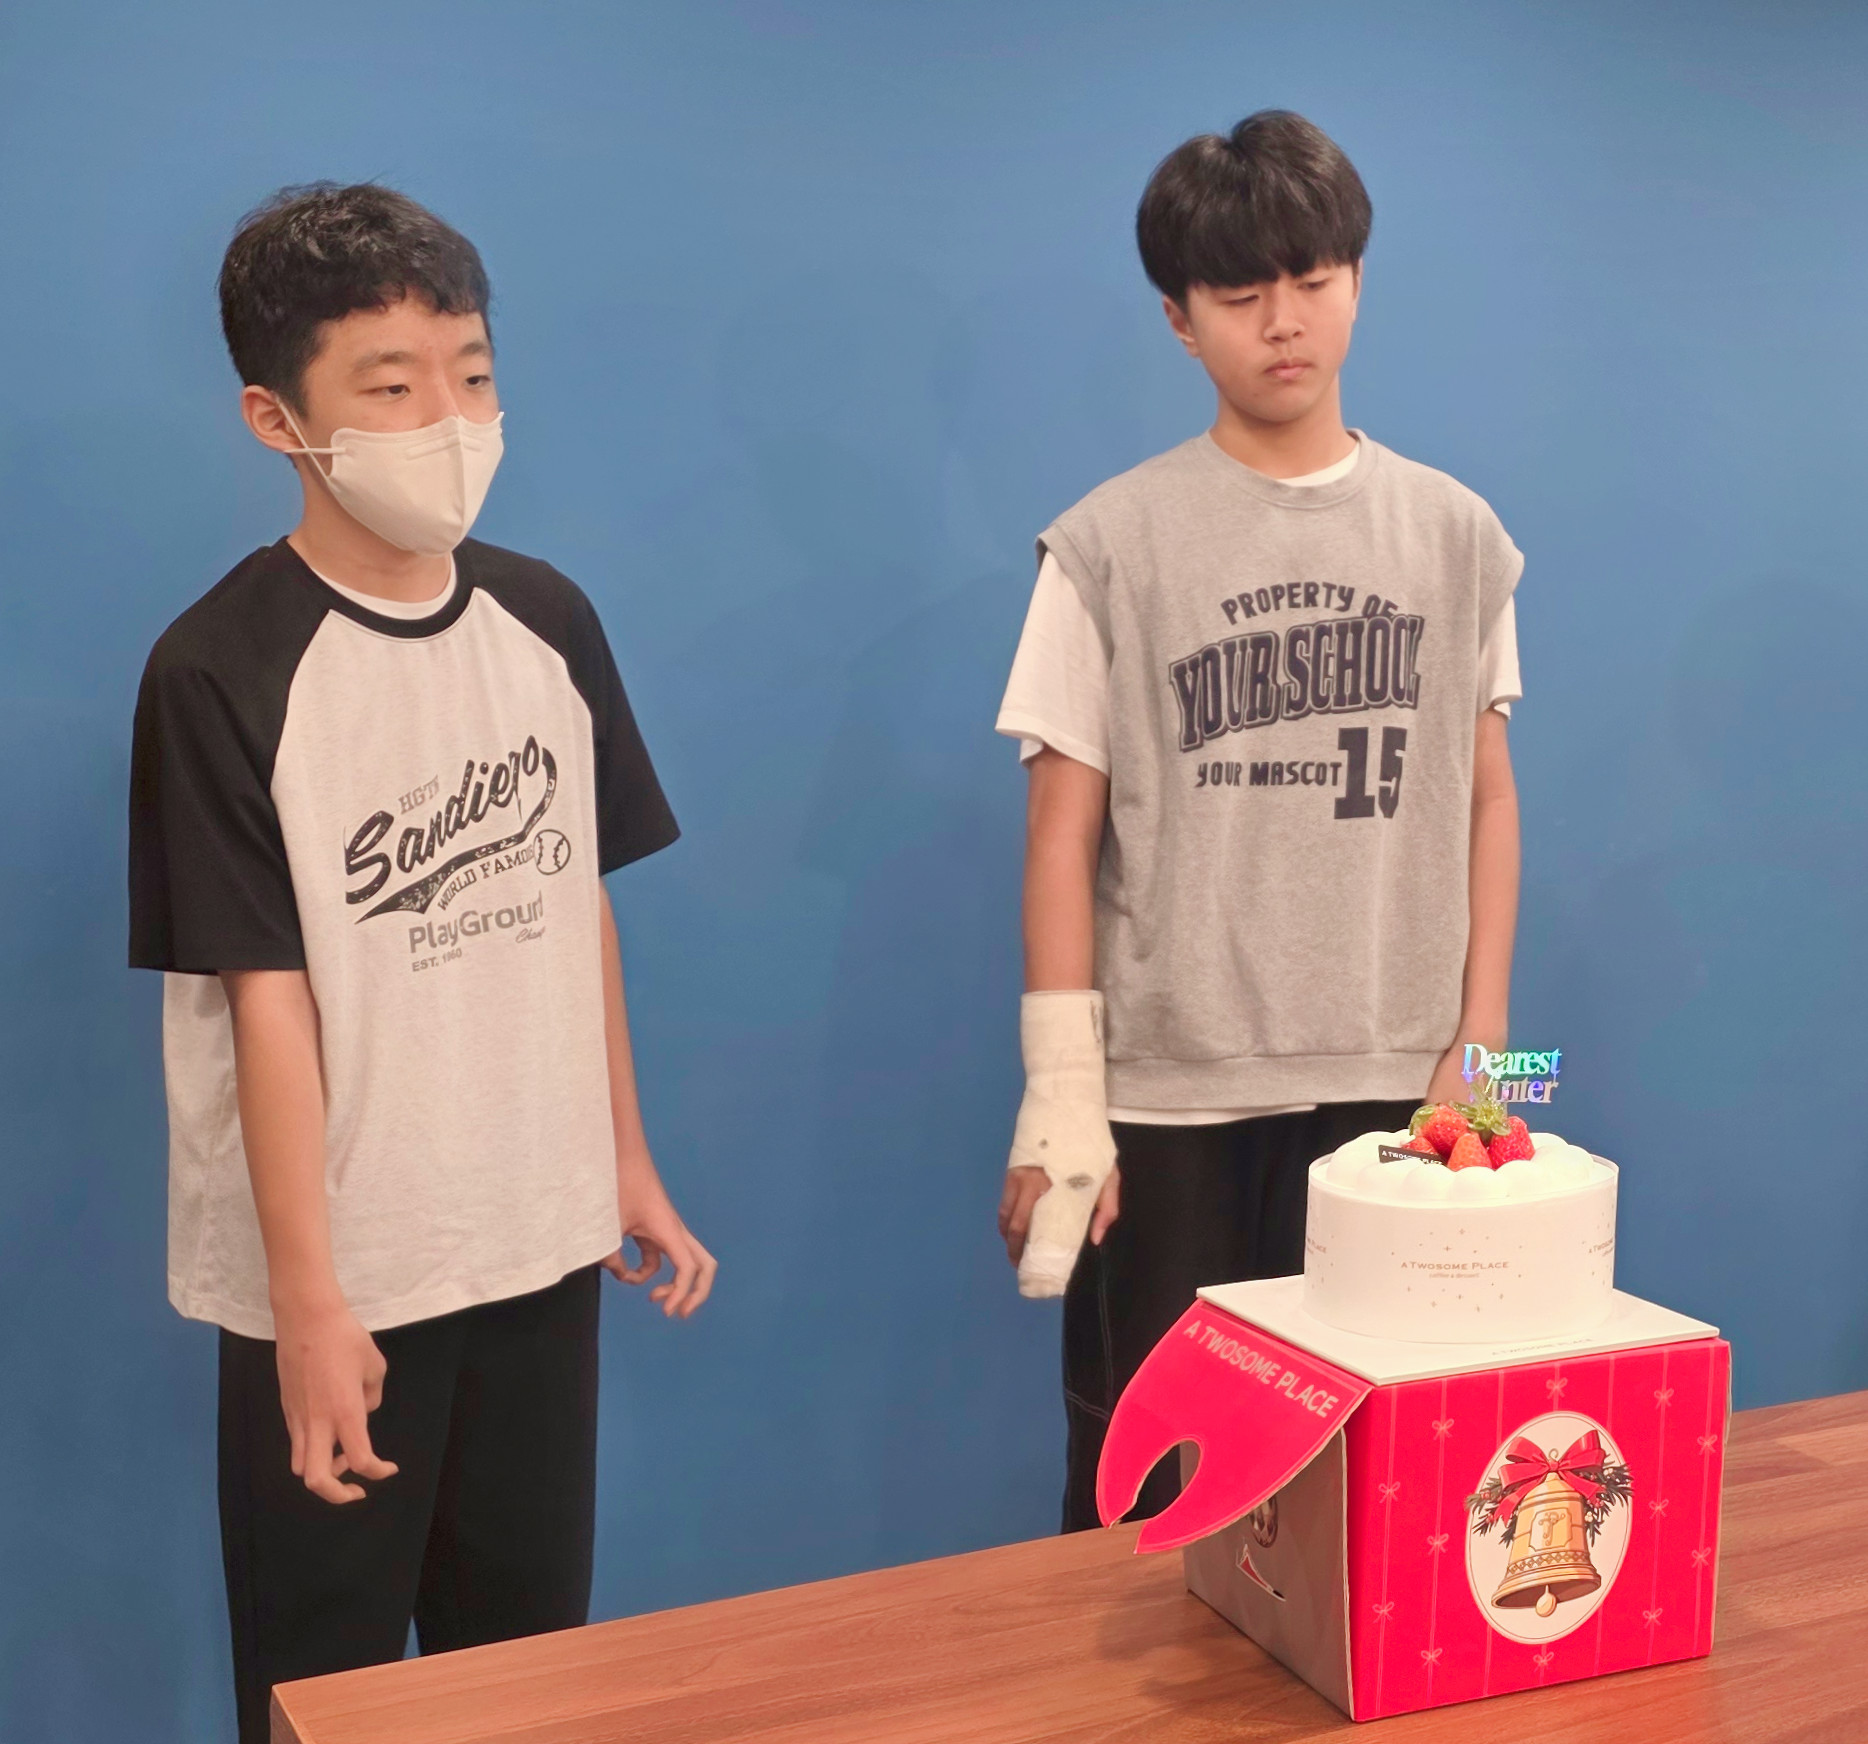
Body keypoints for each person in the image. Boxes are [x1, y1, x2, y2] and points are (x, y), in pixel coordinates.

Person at [128, 183, 716, 1741]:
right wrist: (309, 1307)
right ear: (278, 418)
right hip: (346, 1280)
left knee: (522, 1677)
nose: (448, 419)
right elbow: (267, 1001)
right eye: (391, 388)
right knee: (322, 1688)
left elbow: (575, 908)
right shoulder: (220, 670)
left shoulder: (546, 620)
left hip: (537, 1240)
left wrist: (623, 1163)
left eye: (471, 373)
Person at [994, 112, 1522, 1531]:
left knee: (1383, 1480)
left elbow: (1486, 794)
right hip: (1173, 1094)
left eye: (1313, 279)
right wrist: (1061, 1095)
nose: (1283, 321)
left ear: (1356, 280)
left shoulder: (1458, 535)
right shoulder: (1107, 545)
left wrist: (1485, 1053)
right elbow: (1059, 834)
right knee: (1158, 1489)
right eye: (1239, 294)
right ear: (1180, 320)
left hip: (1402, 1088)